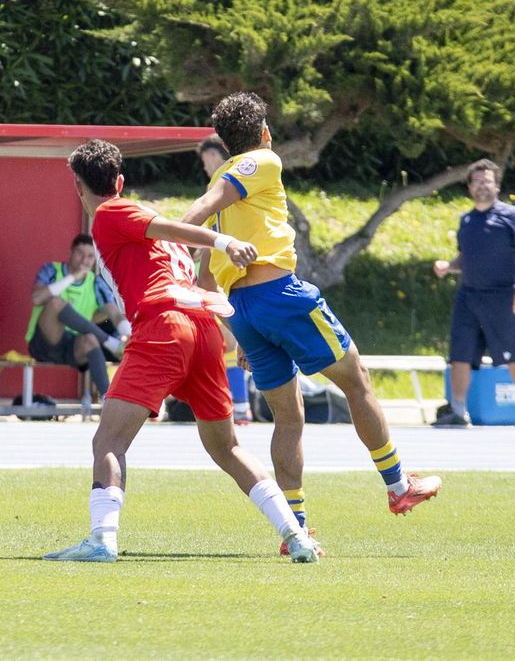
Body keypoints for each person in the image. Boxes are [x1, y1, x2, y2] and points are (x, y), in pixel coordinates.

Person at [179, 92, 441, 552]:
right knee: (356, 380)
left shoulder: (229, 181)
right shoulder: (261, 161)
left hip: (242, 308)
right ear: (263, 133)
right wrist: (171, 231)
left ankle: (295, 527)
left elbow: (205, 267)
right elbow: (202, 208)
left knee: (289, 416)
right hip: (280, 295)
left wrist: (239, 326)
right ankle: (399, 487)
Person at [44, 139, 321, 564]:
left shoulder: (111, 211)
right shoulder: (154, 242)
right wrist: (242, 337)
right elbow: (201, 283)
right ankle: (296, 535)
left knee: (109, 440)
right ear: (119, 178)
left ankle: (101, 539)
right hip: (202, 329)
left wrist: (223, 242)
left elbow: (170, 229)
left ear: (79, 187)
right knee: (225, 447)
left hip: (164, 327)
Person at [430, 158, 515, 429]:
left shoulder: (510, 215)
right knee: (460, 355)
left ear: (496, 185)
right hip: (469, 296)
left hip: (502, 296)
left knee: (513, 354)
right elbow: (465, 258)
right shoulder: (466, 220)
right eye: (477, 181)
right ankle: (458, 412)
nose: (482, 186)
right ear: (469, 187)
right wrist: (448, 267)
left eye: (487, 181)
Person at [27, 235, 130, 402]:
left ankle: (107, 398)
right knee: (55, 303)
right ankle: (109, 342)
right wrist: (73, 277)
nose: (85, 260)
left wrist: (128, 333)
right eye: (80, 254)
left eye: (90, 256)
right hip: (45, 343)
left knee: (90, 339)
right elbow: (36, 298)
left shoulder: (96, 282)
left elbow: (114, 312)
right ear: (70, 253)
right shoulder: (52, 270)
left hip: (73, 347)